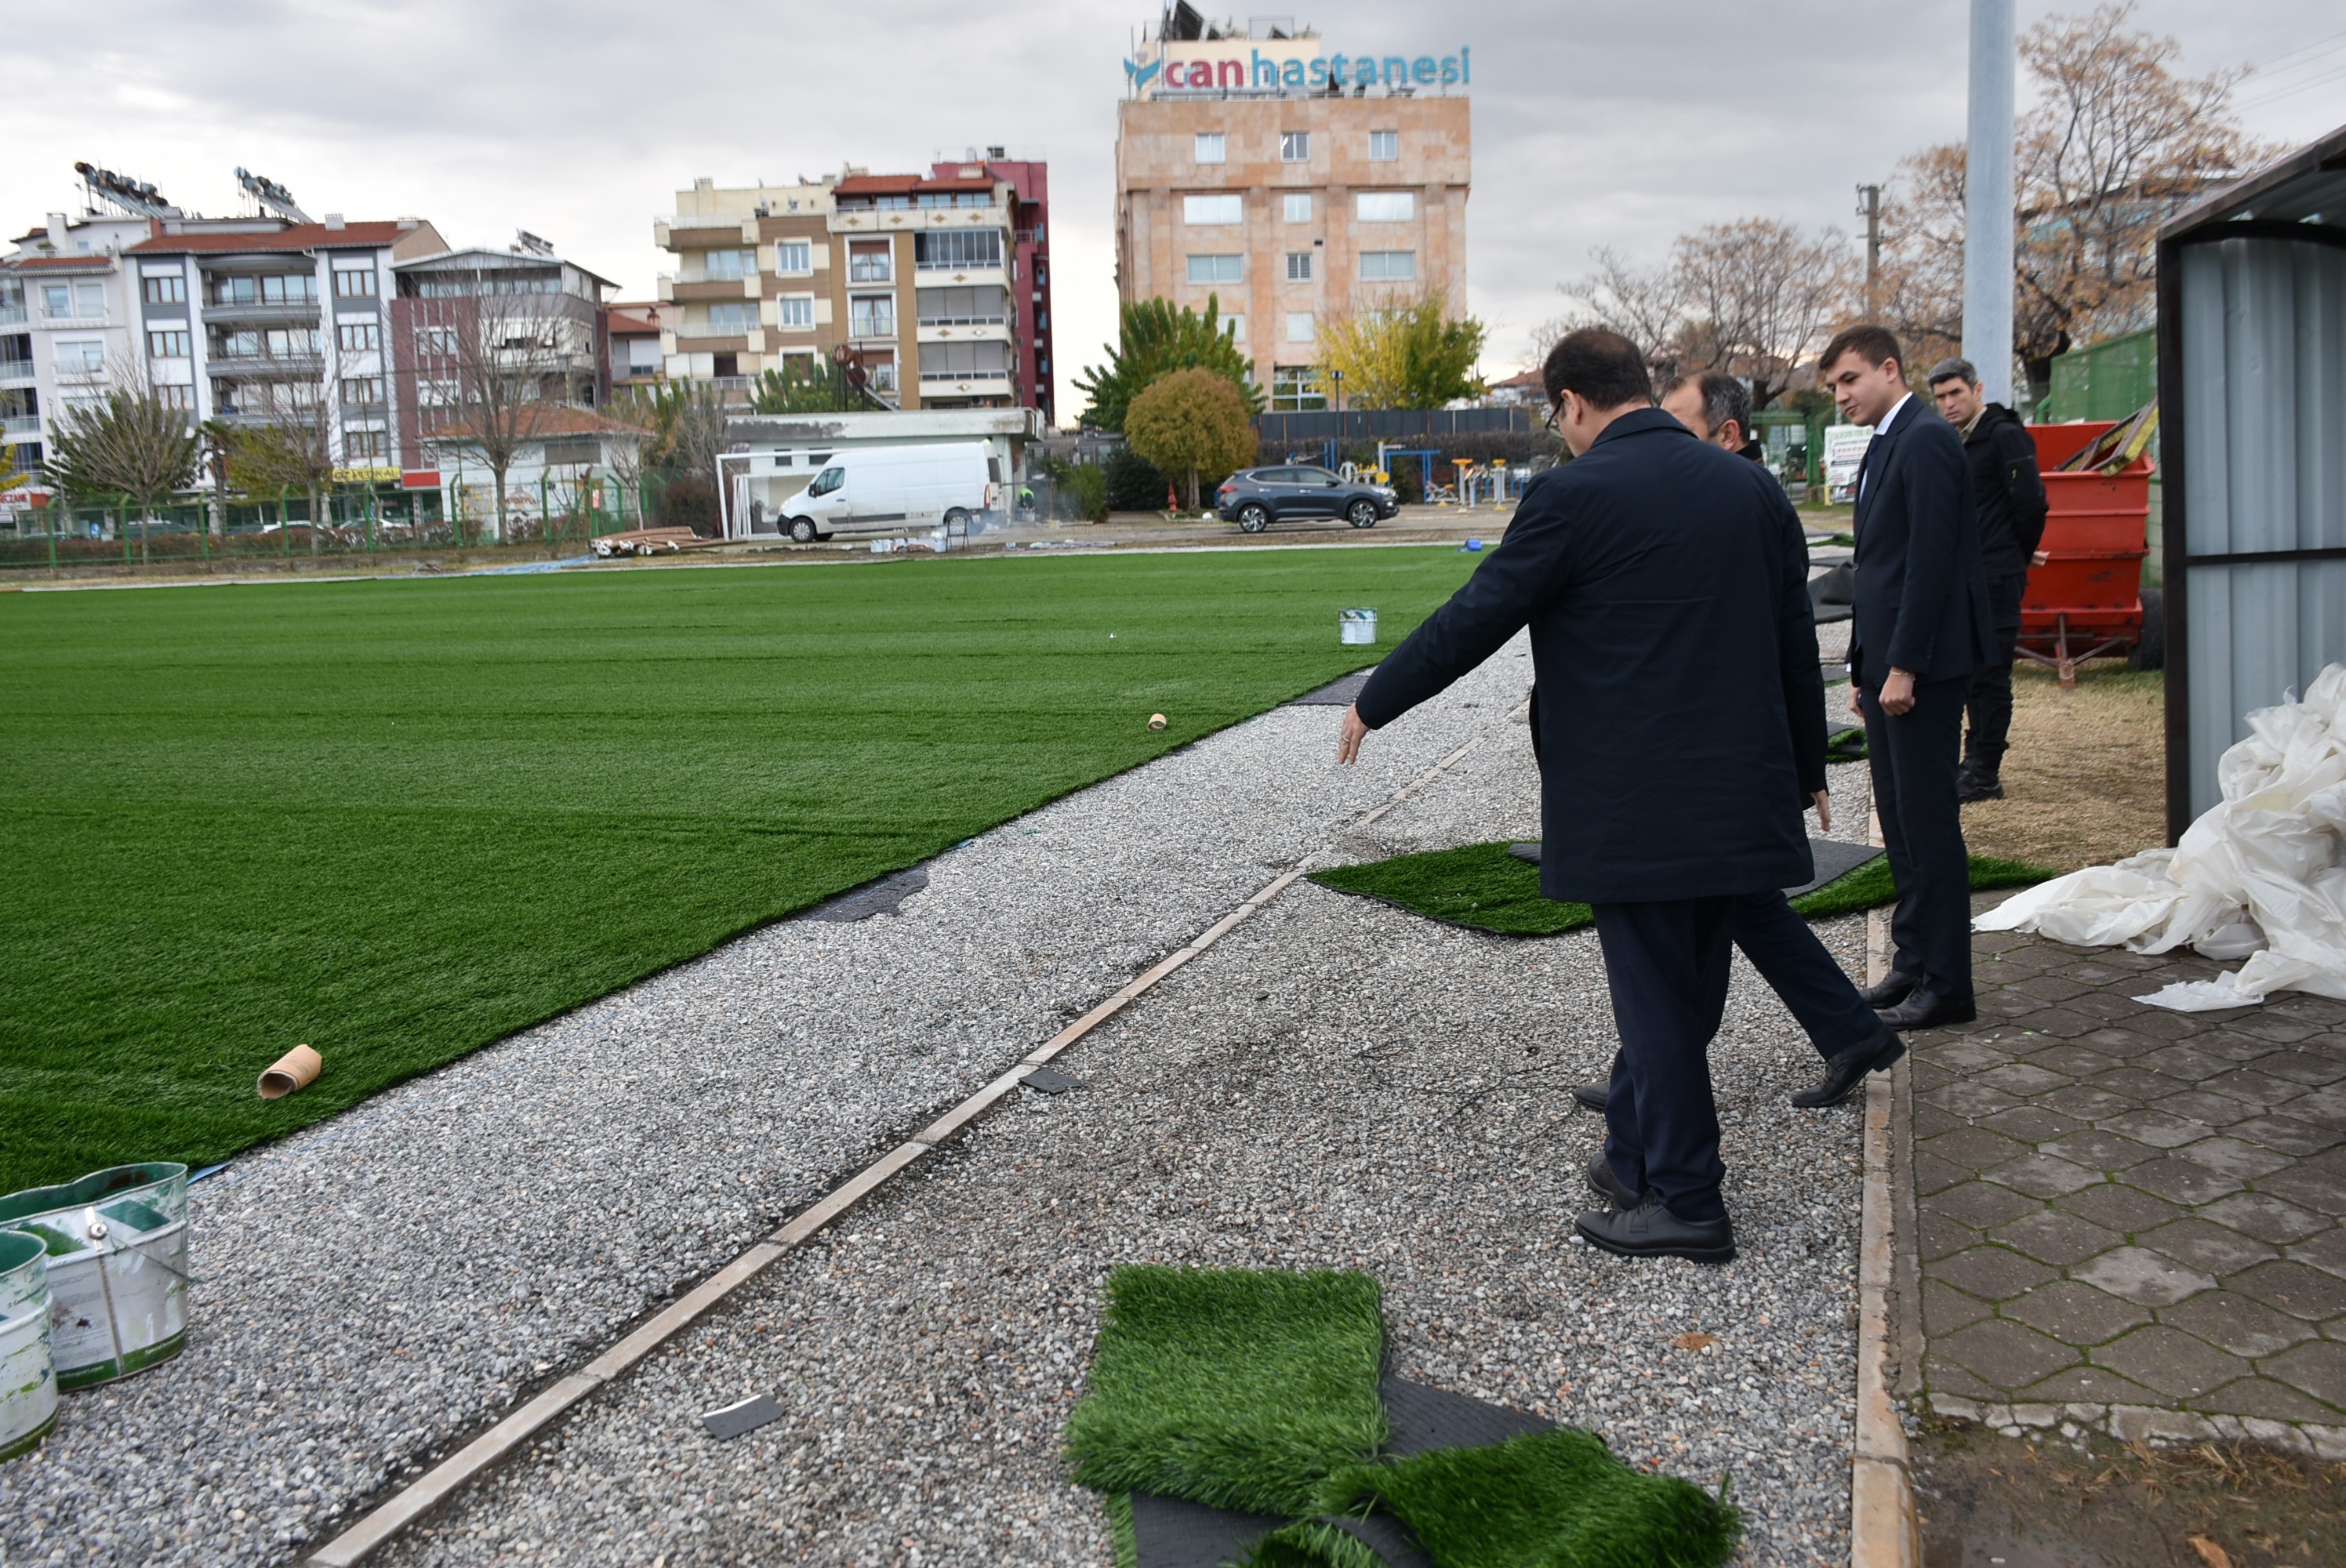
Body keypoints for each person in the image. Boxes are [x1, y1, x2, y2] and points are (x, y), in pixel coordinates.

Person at [1337, 329, 1826, 1264]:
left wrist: (1376, 696)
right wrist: (1807, 767)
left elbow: (1476, 615)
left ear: (1570, 403)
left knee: (1654, 1005)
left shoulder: (1573, 491)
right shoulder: (1753, 488)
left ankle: (1686, 1199)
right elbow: (1792, 635)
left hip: (1634, 799)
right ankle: (1633, 1155)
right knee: (1688, 993)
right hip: (1741, 786)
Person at [1818, 325, 1996, 1030]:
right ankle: (1915, 962)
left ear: (1889, 370)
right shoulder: (1892, 438)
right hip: (1889, 661)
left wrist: (1904, 666)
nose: (1842, 396)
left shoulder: (1925, 438)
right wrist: (1863, 665)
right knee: (1899, 821)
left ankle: (1949, 986)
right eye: (1835, 386)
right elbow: (1877, 570)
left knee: (1928, 824)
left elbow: (1930, 566)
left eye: (1851, 380)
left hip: (1922, 666)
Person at [1926, 357, 2048, 804]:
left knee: (1990, 675)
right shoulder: (1959, 440)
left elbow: (2032, 502)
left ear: (1976, 390)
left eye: (1956, 393)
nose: (1948, 403)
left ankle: (1984, 771)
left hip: (1996, 575)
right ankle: (1972, 763)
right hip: (1970, 575)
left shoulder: (2003, 434)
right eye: (1940, 397)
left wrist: (2016, 552)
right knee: (1972, 672)